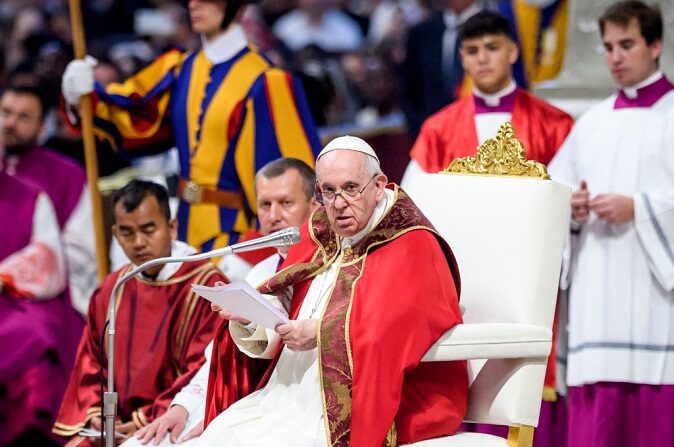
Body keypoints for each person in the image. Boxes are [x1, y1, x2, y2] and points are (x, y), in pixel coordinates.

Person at [198, 136, 468, 446]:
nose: (338, 204)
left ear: (379, 185)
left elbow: (399, 329)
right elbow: (286, 304)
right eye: (328, 191)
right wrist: (250, 315)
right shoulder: (321, 231)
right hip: (286, 396)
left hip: (358, 406)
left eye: (351, 188)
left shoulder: (411, 243)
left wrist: (321, 332)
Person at [60, 0, 322, 257]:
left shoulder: (267, 81)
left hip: (239, 241)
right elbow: (135, 120)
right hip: (184, 237)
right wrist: (83, 96)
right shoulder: (181, 69)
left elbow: (295, 184)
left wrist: (255, 253)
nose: (193, 4)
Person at [548, 2, 674, 446]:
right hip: (598, 302)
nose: (615, 57)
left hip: (658, 302)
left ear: (655, 45)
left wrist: (640, 208)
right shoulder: (591, 123)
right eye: (607, 47)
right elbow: (554, 196)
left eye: (627, 45)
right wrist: (572, 206)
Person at [126, 158, 318, 446]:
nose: (274, 216)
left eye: (286, 203)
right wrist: (183, 407)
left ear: (314, 207)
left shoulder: (329, 265)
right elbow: (216, 359)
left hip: (302, 401)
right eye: (265, 205)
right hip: (253, 397)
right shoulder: (259, 272)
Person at [53, 180, 224, 446]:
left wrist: (143, 420)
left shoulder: (207, 287)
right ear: (115, 233)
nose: (138, 243)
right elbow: (91, 363)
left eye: (148, 229)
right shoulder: (112, 289)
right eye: (127, 233)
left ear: (171, 227)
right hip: (114, 424)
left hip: (171, 419)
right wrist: (98, 415)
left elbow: (203, 369)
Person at [402, 10, 573, 188]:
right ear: (462, 59)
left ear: (513, 52)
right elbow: (414, 193)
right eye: (472, 51)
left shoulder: (554, 124)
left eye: (492, 48)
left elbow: (569, 192)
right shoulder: (438, 129)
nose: (482, 59)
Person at [0, 130, 79, 446]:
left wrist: (5, 275)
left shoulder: (31, 195)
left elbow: (48, 253)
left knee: (37, 335)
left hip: (13, 297)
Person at [0, 83, 97, 317]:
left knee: (33, 332)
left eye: (23, 117)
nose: (10, 123)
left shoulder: (68, 175)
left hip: (35, 300)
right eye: (6, 113)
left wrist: (16, 278)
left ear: (42, 127)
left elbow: (81, 250)